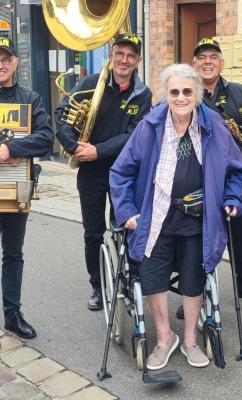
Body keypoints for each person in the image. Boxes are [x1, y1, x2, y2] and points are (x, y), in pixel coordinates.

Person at [109, 64, 242, 369]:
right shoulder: (150, 126)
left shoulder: (213, 126)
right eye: (174, 92)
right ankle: (163, 339)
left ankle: (189, 341)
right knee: (152, 277)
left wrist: (233, 198)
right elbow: (120, 172)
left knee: (193, 277)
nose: (181, 97)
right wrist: (128, 211)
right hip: (156, 218)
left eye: (187, 91)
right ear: (165, 94)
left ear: (197, 93)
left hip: (199, 218)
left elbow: (236, 169)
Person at [176, 37, 242, 319]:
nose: (207, 61)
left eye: (213, 57)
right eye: (201, 57)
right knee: (197, 242)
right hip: (199, 182)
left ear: (221, 63)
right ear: (193, 64)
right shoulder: (185, 95)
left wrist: (240, 156)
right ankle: (193, 296)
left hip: (239, 179)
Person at [55, 33, 152, 311]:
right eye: (120, 53)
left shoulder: (143, 94)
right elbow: (61, 115)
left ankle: (129, 280)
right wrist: (74, 147)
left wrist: (98, 150)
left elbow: (136, 134)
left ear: (138, 61)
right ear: (111, 54)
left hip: (125, 173)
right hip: (91, 173)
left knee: (127, 227)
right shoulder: (89, 83)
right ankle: (98, 286)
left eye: (131, 56)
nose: (124, 60)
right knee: (93, 231)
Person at [0, 37, 54, 338]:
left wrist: (11, 148)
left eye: (6, 58)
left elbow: (46, 138)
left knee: (13, 253)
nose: (1, 63)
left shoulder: (30, 98)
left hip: (17, 185)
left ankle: (12, 313)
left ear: (16, 63)